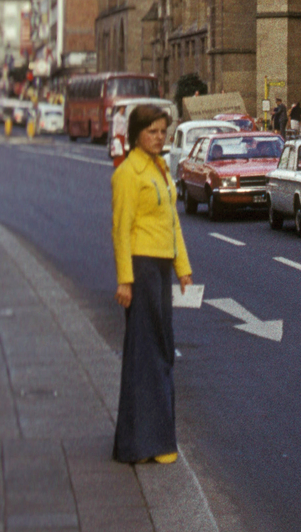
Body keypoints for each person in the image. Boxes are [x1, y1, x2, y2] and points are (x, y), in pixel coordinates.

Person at [112, 104, 193, 465]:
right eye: (152, 132)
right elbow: (121, 230)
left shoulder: (160, 169)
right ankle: (143, 444)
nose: (159, 137)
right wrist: (125, 280)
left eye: (163, 131)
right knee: (147, 354)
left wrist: (182, 268)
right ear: (136, 134)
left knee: (160, 349)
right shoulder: (128, 173)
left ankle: (155, 440)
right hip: (141, 269)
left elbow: (172, 222)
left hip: (160, 268)